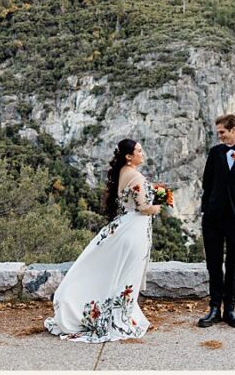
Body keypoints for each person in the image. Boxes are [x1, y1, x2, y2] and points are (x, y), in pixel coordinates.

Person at [45, 139, 163, 342]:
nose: (142, 154)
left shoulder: (124, 172)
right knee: (126, 276)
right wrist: (159, 204)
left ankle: (114, 314)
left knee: (116, 273)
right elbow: (143, 207)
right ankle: (119, 320)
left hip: (125, 224)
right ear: (128, 156)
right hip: (134, 229)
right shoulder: (134, 175)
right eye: (139, 151)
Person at [197, 113, 235, 329]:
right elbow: (207, 183)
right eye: (218, 133)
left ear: (234, 130)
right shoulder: (215, 153)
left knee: (233, 264)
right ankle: (214, 308)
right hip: (213, 219)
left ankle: (229, 310)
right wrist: (205, 210)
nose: (219, 136)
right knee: (213, 264)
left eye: (222, 132)